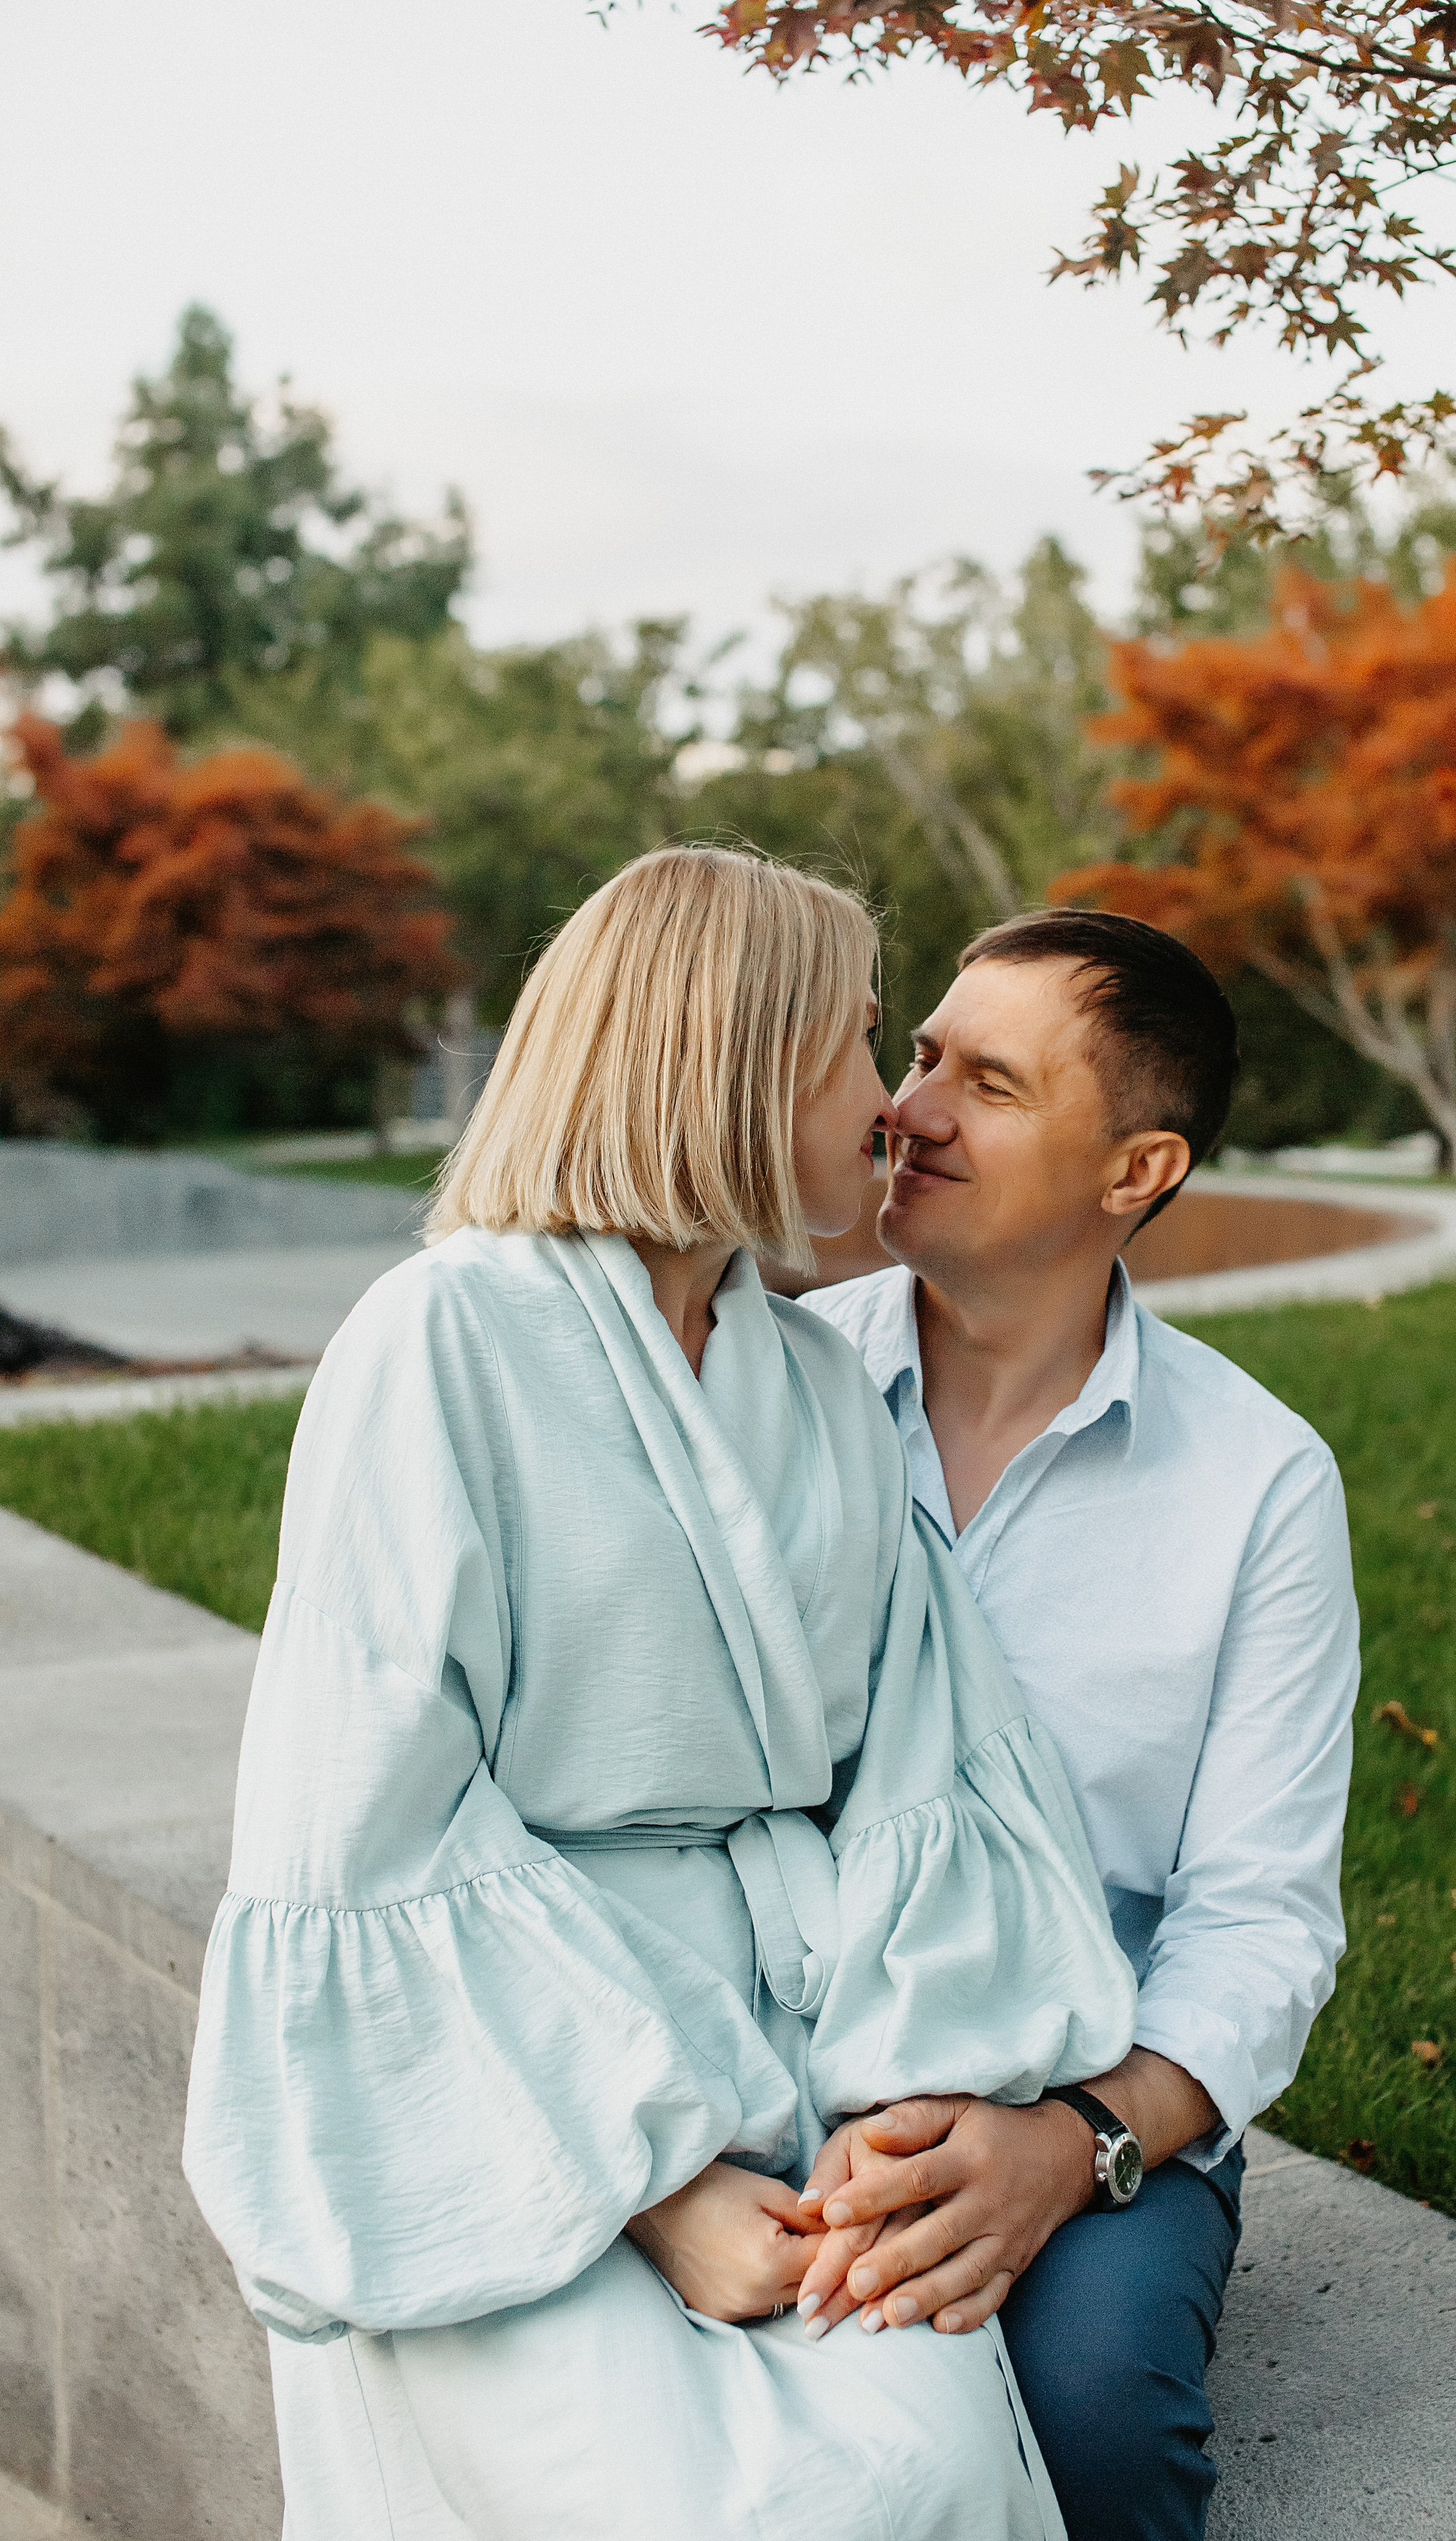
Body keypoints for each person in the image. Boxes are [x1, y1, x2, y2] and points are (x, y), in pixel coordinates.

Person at [182, 850, 1140, 2541]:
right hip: (529, 2101)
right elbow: (366, 1818)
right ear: (735, 1058)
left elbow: (924, 1758)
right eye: (857, 1045)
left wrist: (895, 2106)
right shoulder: (439, 1347)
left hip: (809, 2067)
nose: (891, 1105)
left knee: (920, 2471)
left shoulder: (818, 1391)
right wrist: (652, 2179)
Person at [797, 908, 1361, 2541]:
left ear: (1136, 1169)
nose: (908, 1108)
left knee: (1092, 2414)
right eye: (917, 1057)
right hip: (778, 2051)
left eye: (988, 1081)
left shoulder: (1256, 1484)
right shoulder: (768, 1395)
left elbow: (1255, 1918)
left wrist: (1078, 2143)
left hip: (1088, 2085)